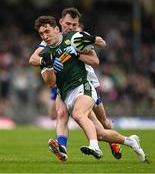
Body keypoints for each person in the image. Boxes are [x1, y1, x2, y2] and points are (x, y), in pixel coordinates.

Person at [33, 15, 147, 163]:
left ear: (56, 29)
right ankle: (131, 142)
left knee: (79, 114)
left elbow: (97, 53)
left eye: (47, 31)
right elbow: (50, 82)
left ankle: (94, 147)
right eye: (41, 34)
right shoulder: (45, 54)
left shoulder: (73, 37)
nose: (45, 36)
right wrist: (50, 67)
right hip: (67, 95)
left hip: (84, 86)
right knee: (100, 133)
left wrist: (78, 52)